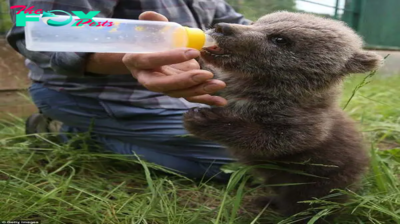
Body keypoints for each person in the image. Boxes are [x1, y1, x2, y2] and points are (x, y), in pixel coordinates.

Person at [7, 0, 251, 182]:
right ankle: (67, 131)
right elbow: (35, 29)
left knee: (272, 145)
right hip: (92, 95)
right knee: (254, 163)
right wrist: (128, 56)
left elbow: (242, 28)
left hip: (182, 90)